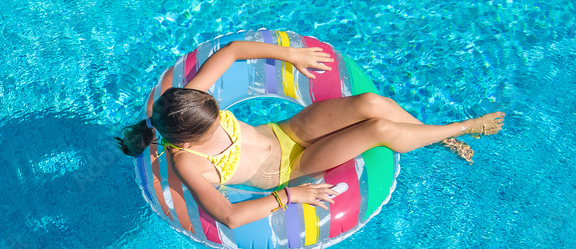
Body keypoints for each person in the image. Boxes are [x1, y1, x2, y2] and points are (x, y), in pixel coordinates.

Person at [116, 41, 504, 230]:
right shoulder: (186, 161)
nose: (220, 123)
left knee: (370, 102)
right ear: (185, 141)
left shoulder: (192, 101)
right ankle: (463, 128)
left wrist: (292, 57)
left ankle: (436, 137)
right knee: (379, 130)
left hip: (288, 131)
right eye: (212, 129)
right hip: (288, 167)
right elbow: (229, 216)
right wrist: (288, 195)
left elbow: (233, 51)